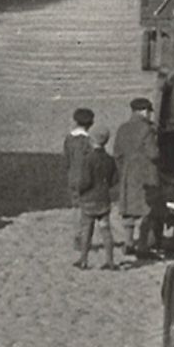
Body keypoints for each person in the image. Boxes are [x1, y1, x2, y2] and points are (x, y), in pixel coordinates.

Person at [113, 97, 160, 260]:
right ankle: (143, 246)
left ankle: (128, 243)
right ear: (143, 112)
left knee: (128, 211)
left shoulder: (122, 128)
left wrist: (123, 170)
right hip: (145, 174)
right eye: (148, 112)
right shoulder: (147, 129)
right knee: (147, 210)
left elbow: (117, 153)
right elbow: (153, 153)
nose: (149, 115)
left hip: (128, 173)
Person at [73, 126, 118, 270]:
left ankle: (84, 259)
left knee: (87, 229)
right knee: (106, 230)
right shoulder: (110, 160)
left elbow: (85, 181)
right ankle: (110, 260)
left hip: (89, 199)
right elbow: (115, 179)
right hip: (103, 198)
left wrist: (79, 190)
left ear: (92, 141)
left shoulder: (88, 159)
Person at [64, 108, 97, 205]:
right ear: (91, 123)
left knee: (75, 200)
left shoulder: (69, 138)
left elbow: (67, 158)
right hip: (86, 176)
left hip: (72, 175)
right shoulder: (88, 141)